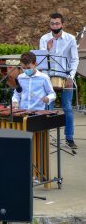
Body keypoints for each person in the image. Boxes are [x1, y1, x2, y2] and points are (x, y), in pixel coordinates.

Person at [39, 12, 79, 149]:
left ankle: (69, 138)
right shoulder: (44, 39)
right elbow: (41, 61)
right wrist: (48, 50)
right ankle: (44, 138)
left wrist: (70, 77)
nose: (54, 26)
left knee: (67, 108)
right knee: (47, 108)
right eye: (52, 24)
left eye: (57, 23)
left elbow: (74, 59)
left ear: (62, 24)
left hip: (66, 76)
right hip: (49, 78)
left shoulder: (71, 39)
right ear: (50, 24)